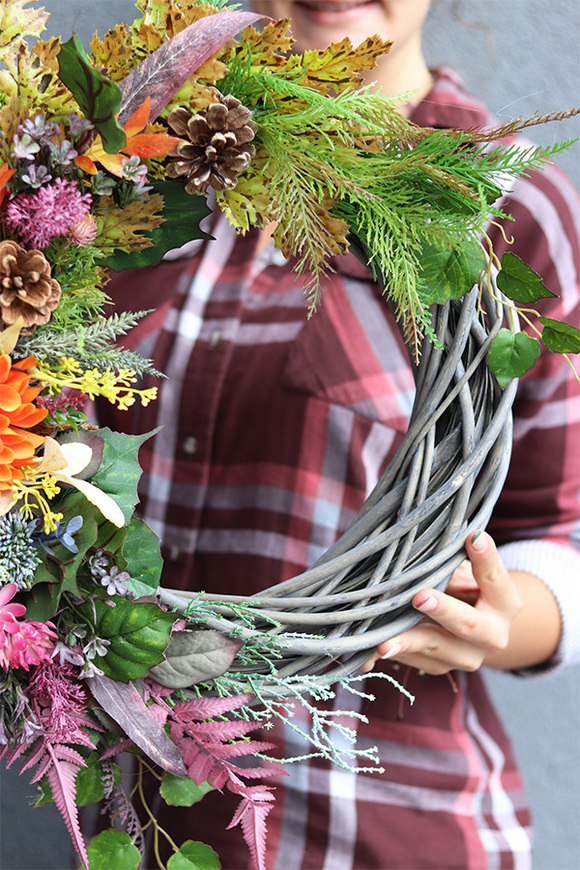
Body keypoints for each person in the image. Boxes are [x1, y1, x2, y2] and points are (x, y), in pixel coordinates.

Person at [97, 1, 580, 867]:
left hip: (380, 828)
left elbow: (564, 528)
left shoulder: (510, 211)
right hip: (141, 827)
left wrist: (506, 622)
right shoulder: (132, 179)